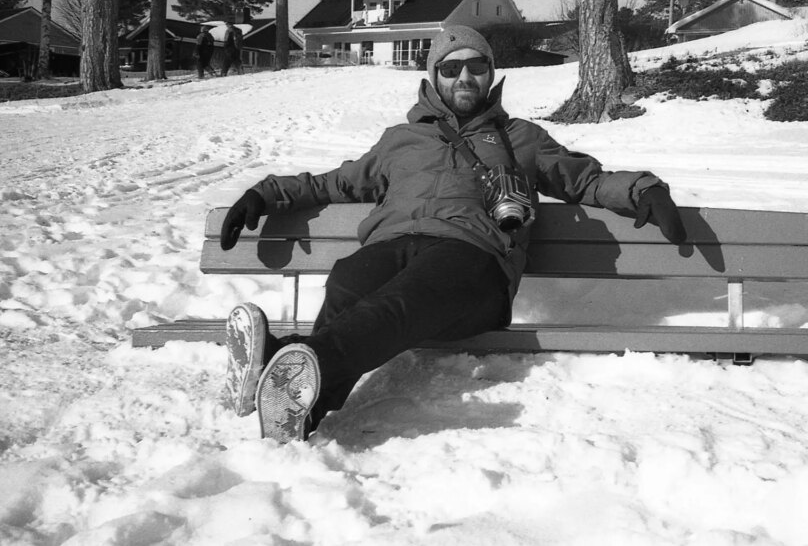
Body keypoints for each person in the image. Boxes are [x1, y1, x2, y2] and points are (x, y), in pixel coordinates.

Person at [219, 25, 686, 443]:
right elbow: (333, 183)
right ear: (433, 78)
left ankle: (284, 360)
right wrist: (266, 194)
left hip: (474, 266)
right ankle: (296, 411)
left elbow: (582, 178)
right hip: (393, 245)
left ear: (490, 74)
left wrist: (642, 190)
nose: (465, 77)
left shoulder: (521, 138)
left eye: (477, 66)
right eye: (451, 67)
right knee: (348, 281)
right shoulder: (398, 141)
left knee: (402, 300)